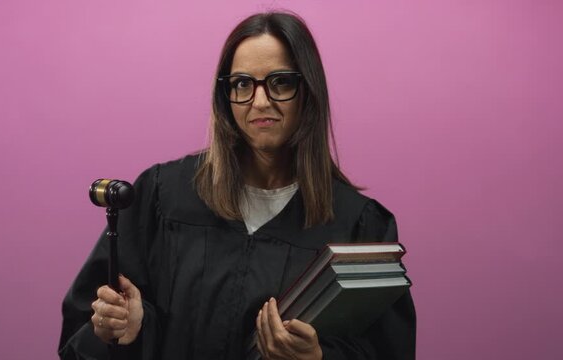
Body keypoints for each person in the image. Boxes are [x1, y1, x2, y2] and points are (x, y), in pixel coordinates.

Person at [59, 11, 416, 360]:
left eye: (281, 82)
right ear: (226, 96)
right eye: (243, 84)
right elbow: (83, 329)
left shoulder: (358, 225)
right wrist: (130, 328)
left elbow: (388, 349)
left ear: (308, 90)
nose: (260, 101)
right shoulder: (162, 196)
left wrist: (318, 356)